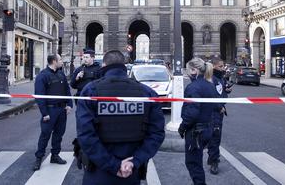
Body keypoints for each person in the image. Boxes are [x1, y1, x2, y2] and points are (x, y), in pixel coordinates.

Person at [76, 50, 165, 185]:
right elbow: (156, 133)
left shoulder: (91, 91)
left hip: (99, 171)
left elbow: (86, 135)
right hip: (131, 171)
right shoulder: (147, 93)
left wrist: (112, 165)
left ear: (103, 65)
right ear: (124, 65)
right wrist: (135, 161)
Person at [178, 58, 218, 185]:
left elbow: (192, 113)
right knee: (197, 160)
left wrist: (183, 127)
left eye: (188, 70)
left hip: (196, 132)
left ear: (194, 70)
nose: (187, 73)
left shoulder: (193, 87)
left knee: (193, 163)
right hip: (207, 128)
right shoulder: (210, 85)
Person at [33, 54, 73, 171]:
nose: (62, 61)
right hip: (50, 110)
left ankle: (55, 156)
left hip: (61, 110)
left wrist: (69, 104)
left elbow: (67, 90)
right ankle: (39, 158)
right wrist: (44, 113)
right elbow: (39, 96)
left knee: (59, 134)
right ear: (54, 61)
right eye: (60, 59)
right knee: (45, 135)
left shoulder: (61, 74)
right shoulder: (43, 76)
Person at [207, 57, 233, 175]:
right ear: (213, 66)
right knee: (213, 137)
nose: (223, 68)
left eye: (223, 66)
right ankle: (213, 160)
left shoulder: (220, 78)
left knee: (215, 137)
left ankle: (213, 160)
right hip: (213, 112)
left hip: (219, 113)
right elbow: (210, 96)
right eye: (221, 66)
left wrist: (226, 90)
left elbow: (220, 91)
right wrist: (219, 106)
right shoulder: (210, 79)